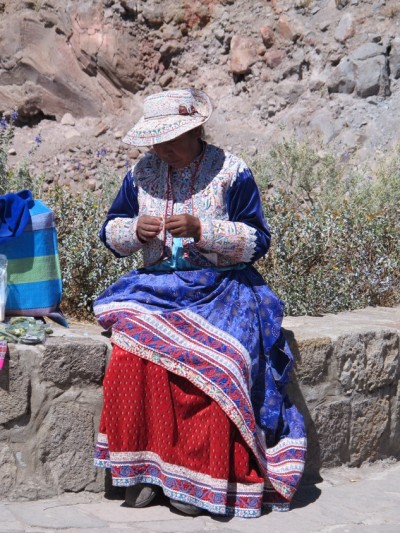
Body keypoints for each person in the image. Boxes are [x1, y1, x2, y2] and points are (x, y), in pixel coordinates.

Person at [93, 88, 306, 518]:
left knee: (218, 358)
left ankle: (198, 480)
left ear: (194, 131)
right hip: (155, 288)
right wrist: (136, 230)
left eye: (169, 140)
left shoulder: (231, 172)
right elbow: (110, 231)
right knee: (132, 349)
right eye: (155, 142)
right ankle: (146, 473)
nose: (160, 150)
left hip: (223, 286)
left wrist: (202, 230)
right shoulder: (141, 174)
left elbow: (258, 240)